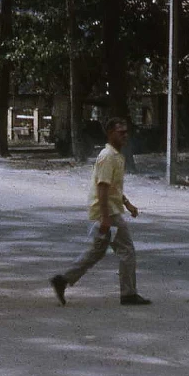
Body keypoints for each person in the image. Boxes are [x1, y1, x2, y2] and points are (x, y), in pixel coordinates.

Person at [50, 117, 151, 306]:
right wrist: (105, 217)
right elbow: (102, 187)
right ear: (110, 133)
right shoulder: (107, 157)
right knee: (127, 250)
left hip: (108, 210)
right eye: (121, 132)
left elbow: (113, 188)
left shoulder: (116, 156)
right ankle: (128, 294)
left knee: (96, 252)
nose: (125, 136)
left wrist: (127, 204)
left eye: (126, 132)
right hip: (108, 213)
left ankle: (63, 280)